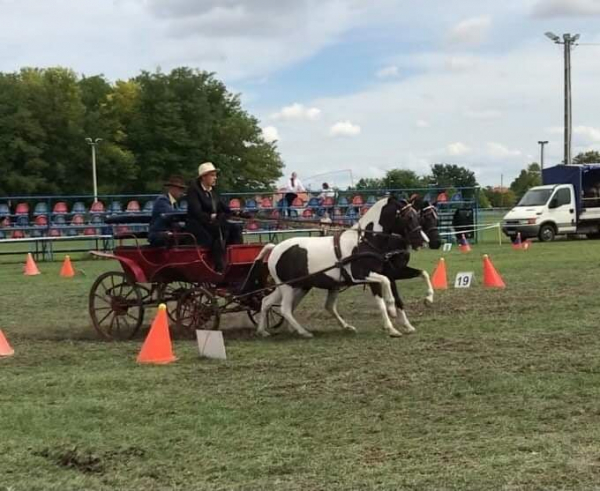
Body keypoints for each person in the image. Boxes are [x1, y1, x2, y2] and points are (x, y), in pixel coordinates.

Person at [186, 162, 242, 273]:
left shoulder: (213, 192)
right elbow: (196, 212)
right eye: (212, 175)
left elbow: (223, 207)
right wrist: (212, 217)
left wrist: (238, 214)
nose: (215, 178)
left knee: (236, 227)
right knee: (220, 229)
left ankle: (235, 260)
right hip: (198, 225)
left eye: (215, 175)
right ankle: (219, 265)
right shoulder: (194, 191)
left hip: (213, 223)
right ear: (203, 177)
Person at [148, 175, 187, 247]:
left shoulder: (174, 204)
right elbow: (172, 215)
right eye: (180, 189)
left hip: (167, 233)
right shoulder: (162, 200)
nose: (182, 192)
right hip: (158, 235)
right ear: (172, 188)